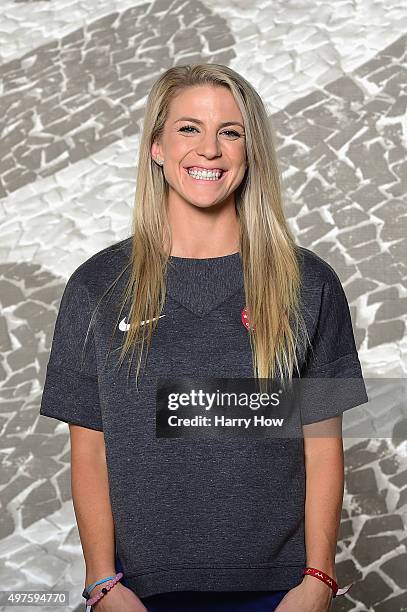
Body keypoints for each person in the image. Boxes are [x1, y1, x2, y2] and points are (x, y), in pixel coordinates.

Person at [39, 64, 369, 612]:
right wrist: (102, 583)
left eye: (231, 132)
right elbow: (90, 450)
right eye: (189, 129)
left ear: (251, 150)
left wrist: (317, 579)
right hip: (140, 594)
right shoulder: (97, 285)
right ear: (157, 148)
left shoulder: (308, 283)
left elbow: (322, 441)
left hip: (280, 592)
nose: (210, 150)